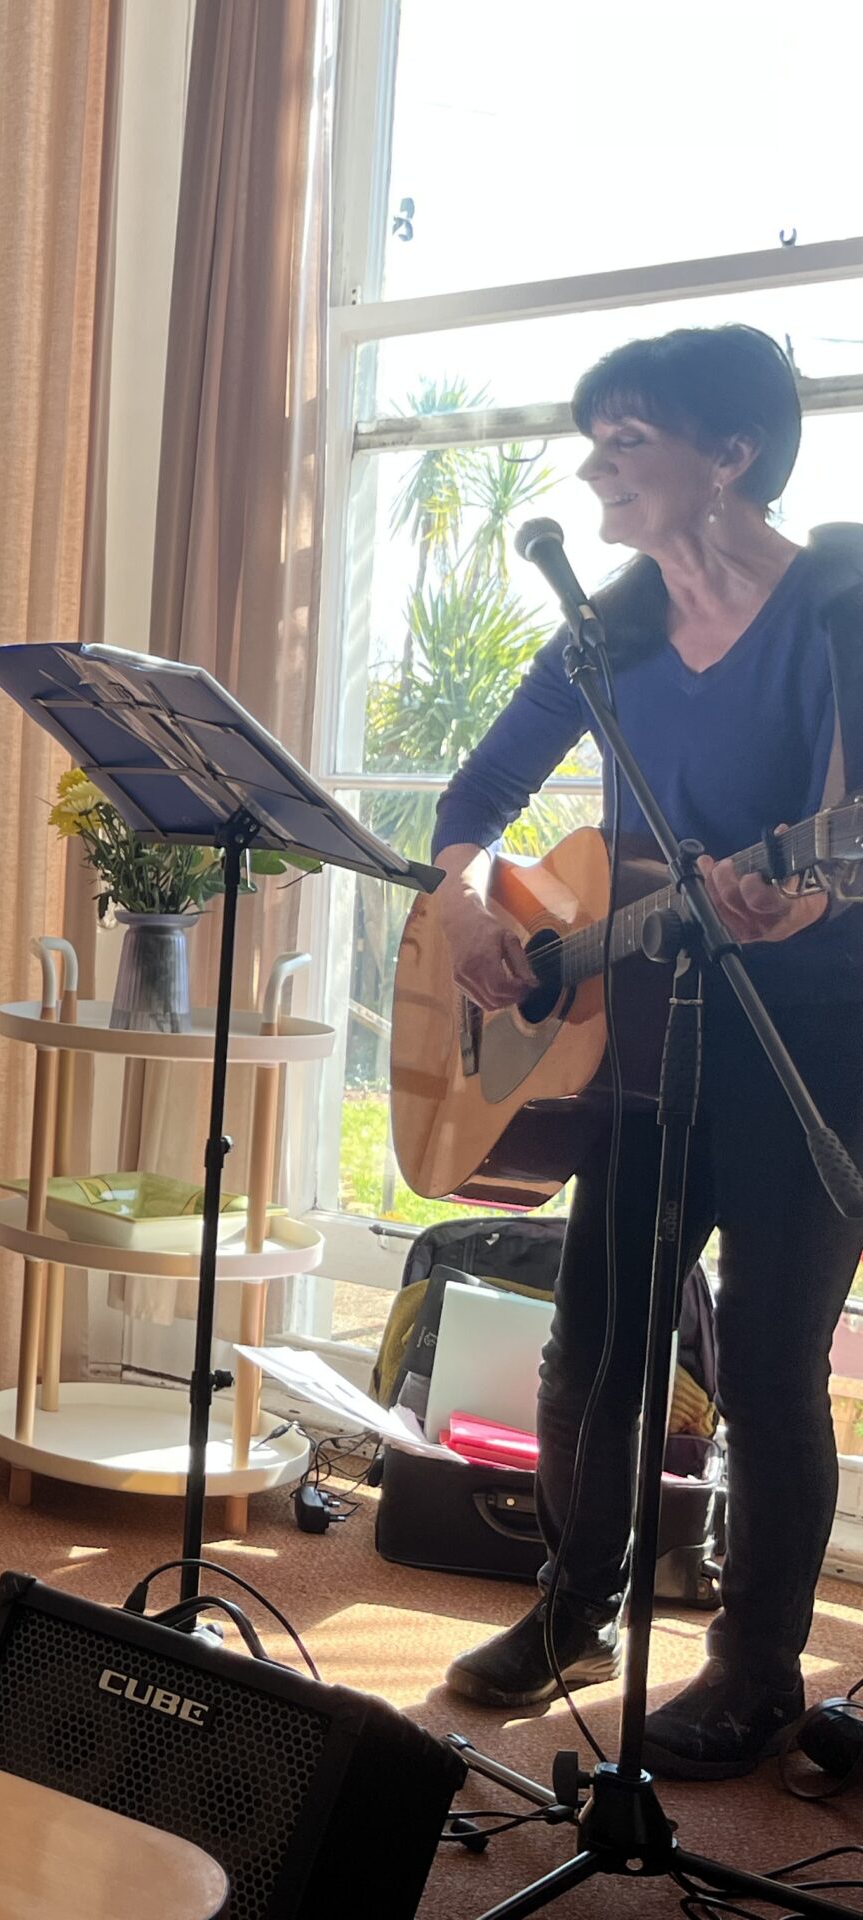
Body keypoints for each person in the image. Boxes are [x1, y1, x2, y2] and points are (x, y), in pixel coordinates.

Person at [430, 324, 863, 1777]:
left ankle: (752, 1673)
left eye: (630, 441)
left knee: (767, 1365)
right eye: (596, 439)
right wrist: (464, 897)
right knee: (594, 1344)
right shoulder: (608, 624)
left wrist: (795, 895)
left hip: (814, 1035)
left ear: (729, 452)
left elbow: (846, 843)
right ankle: (576, 1606)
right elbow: (478, 792)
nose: (597, 467)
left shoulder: (841, 601)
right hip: (644, 1047)